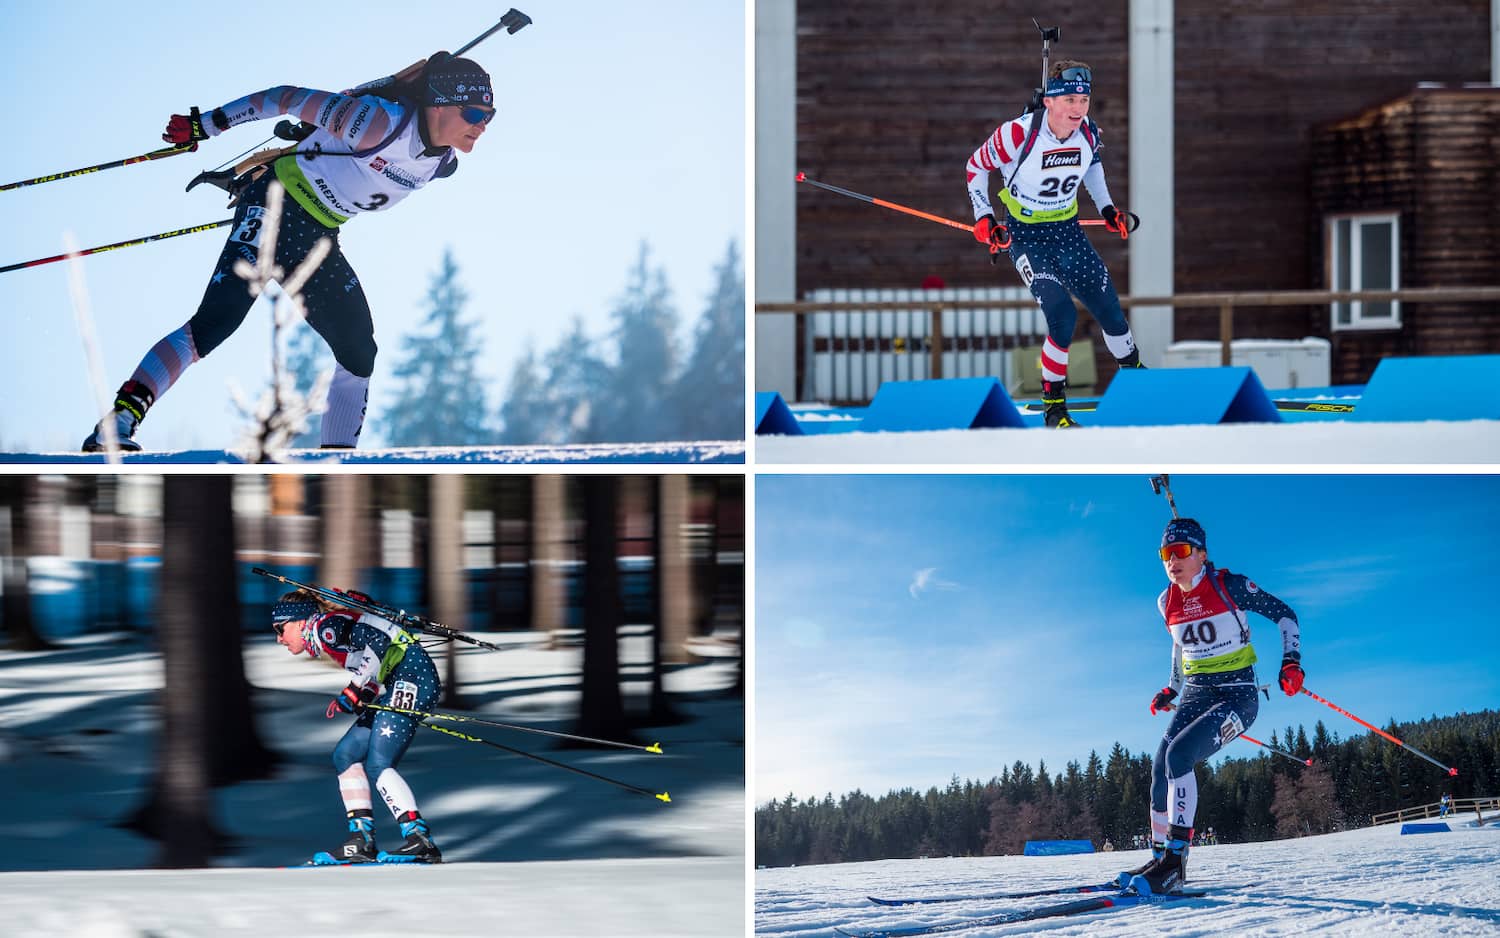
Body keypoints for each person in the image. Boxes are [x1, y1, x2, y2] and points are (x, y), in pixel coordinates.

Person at [83, 53, 497, 452]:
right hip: (275, 204)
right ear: (441, 107)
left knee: (358, 351)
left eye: (489, 117)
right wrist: (206, 125)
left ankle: (337, 463)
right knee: (216, 323)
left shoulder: (443, 162)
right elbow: (286, 97)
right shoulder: (374, 123)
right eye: (475, 114)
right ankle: (118, 421)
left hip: (317, 235)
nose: (481, 127)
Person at [1121, 517, 1303, 895]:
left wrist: (1291, 662)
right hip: (1196, 693)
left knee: (1180, 756)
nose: (1173, 561)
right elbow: (1178, 645)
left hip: (1237, 696)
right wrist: (1172, 689)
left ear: (1202, 554)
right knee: (1159, 768)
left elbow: (1284, 614)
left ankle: (1176, 861)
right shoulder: (1165, 601)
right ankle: (1159, 858)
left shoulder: (1230, 586)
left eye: (1182, 551)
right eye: (1166, 554)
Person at [965, 60, 1144, 428]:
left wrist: (1107, 208)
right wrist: (984, 216)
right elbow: (975, 167)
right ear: (1049, 101)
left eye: (1084, 100)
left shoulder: (1088, 134)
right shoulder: (1017, 134)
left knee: (1108, 307)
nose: (1078, 109)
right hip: (1027, 236)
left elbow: (1092, 166)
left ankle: (1137, 381)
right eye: (1070, 101)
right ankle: (1054, 407)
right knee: (1061, 314)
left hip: (1068, 230)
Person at [272, 589, 445, 863]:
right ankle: (361, 840)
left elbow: (378, 641)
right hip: (402, 677)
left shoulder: (326, 626)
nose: (279, 639)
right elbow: (377, 661)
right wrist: (363, 694)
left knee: (379, 764)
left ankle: (419, 839)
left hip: (412, 676)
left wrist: (354, 689)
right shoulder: (326, 630)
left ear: (301, 621)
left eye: (281, 629)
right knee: (346, 754)